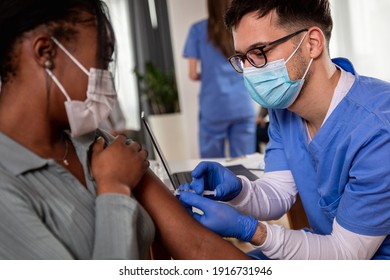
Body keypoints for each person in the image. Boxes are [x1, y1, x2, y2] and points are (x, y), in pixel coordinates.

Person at [0, 0, 250, 260]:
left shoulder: (94, 142)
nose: (106, 79)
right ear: (45, 51)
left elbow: (198, 246)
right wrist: (114, 188)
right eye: (102, 60)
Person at [178, 0, 390, 259]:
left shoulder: (378, 131)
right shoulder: (284, 109)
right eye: (242, 58)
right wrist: (239, 191)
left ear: (312, 43)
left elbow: (345, 254)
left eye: (259, 51)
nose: (248, 70)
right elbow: (278, 192)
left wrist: (251, 230)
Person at [183, 0, 256, 158]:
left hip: (213, 108)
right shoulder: (242, 27)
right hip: (242, 105)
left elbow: (193, 74)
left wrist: (209, 75)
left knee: (212, 164)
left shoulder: (197, 30)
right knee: (246, 163)